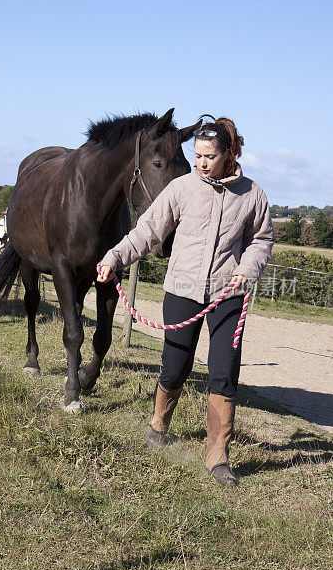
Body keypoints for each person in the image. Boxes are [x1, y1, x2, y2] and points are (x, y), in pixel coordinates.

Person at [97, 116, 274, 486]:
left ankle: (217, 456)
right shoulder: (182, 188)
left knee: (224, 372)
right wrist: (114, 257)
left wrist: (248, 267)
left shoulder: (252, 194)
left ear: (229, 155)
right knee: (175, 367)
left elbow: (261, 239)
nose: (201, 163)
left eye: (209, 156)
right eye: (197, 156)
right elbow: (147, 230)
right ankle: (159, 422)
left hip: (229, 293)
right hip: (181, 290)